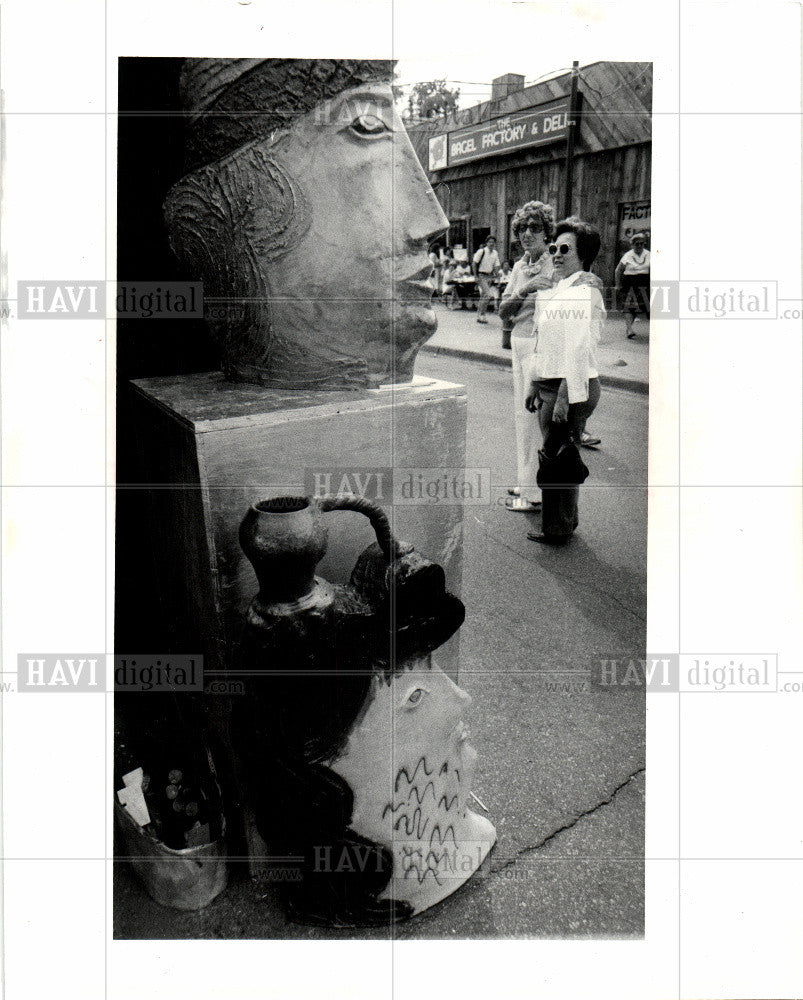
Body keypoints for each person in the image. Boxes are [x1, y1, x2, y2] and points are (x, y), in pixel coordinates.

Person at [524, 216, 605, 544]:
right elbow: (543, 340)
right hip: (550, 381)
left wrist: (561, 398)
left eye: (565, 249)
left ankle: (557, 528)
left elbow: (578, 349)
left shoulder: (585, 291)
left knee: (558, 456)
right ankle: (561, 522)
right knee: (558, 453)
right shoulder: (559, 288)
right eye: (554, 247)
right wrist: (533, 381)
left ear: (583, 255)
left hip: (569, 384)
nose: (556, 253)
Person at [498, 201, 556, 511]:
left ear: (548, 232)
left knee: (533, 418)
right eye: (522, 228)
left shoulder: (552, 266)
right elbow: (502, 311)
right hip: (518, 344)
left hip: (537, 344)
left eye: (535, 227)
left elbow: (551, 315)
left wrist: (517, 300)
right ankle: (524, 480)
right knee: (521, 418)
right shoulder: (520, 267)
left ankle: (533, 494)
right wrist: (524, 291)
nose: (527, 233)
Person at [615, 232, 650, 338]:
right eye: (636, 244)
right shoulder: (628, 255)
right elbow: (618, 270)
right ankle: (629, 330)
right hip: (630, 281)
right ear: (632, 245)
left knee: (639, 307)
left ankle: (629, 327)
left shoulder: (649, 254)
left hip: (644, 281)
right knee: (629, 306)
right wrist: (617, 285)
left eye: (641, 243)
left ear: (644, 244)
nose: (639, 246)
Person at [472, 236, 501, 324]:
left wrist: (497, 273)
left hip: (489, 276)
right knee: (488, 294)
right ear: (486, 243)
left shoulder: (495, 253)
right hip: (481, 275)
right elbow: (474, 263)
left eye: (493, 242)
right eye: (490, 242)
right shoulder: (481, 251)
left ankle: (479, 315)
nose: (491, 244)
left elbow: (496, 265)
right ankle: (482, 314)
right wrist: (475, 276)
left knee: (484, 296)